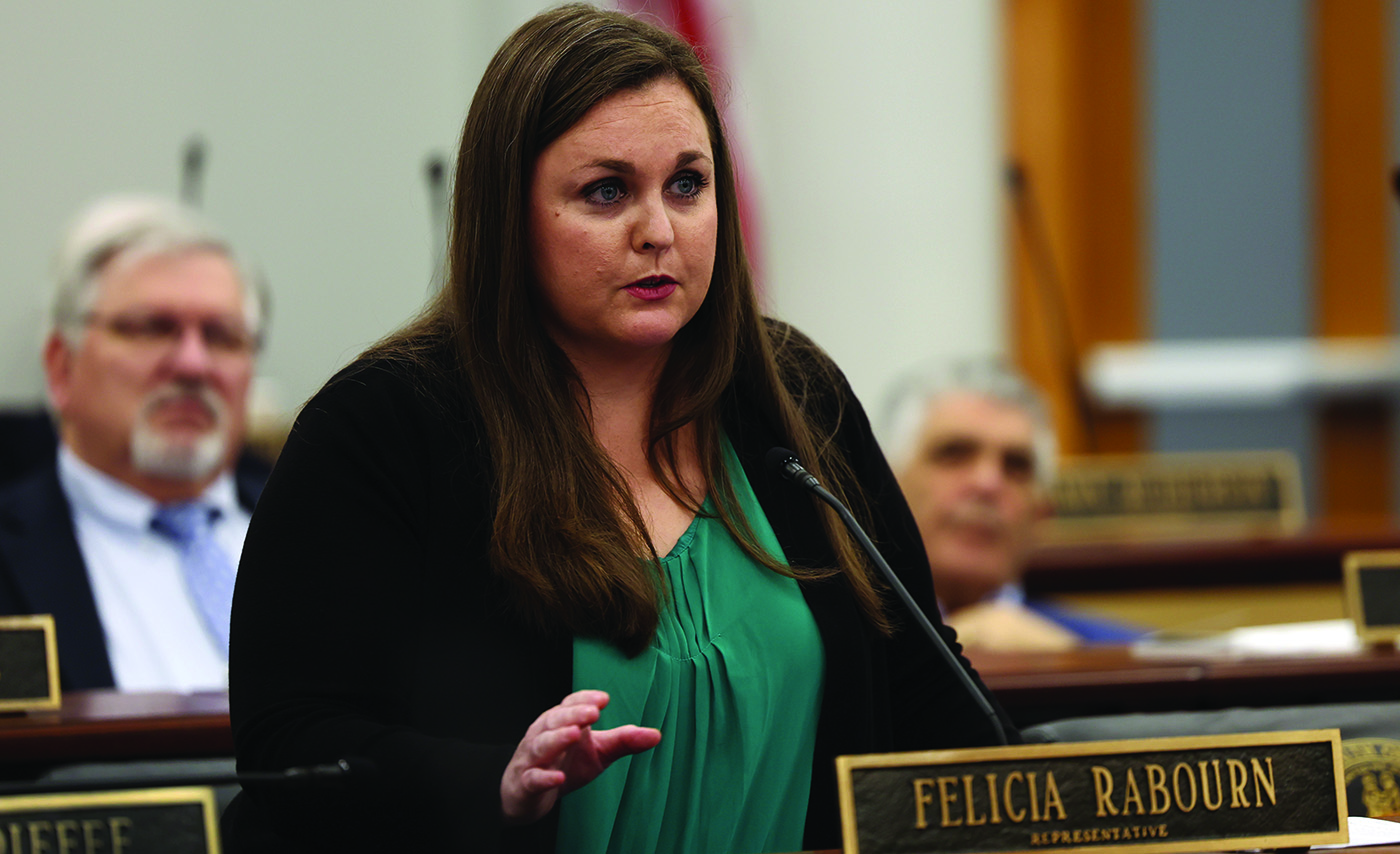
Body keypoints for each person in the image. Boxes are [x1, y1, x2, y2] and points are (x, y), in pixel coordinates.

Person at [223, 5, 1016, 852]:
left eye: (688, 184)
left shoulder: (793, 396)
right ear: (510, 215)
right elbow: (290, 743)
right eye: (606, 193)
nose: (659, 231)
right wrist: (493, 779)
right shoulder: (384, 428)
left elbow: (925, 685)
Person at [0, 196, 267, 693]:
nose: (193, 365)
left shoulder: (335, 530)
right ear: (61, 365)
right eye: (153, 328)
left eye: (223, 336)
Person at [882, 359, 1143, 651]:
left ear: (1042, 514)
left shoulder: (1131, 659)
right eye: (953, 453)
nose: (988, 483)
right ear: (885, 489)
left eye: (1017, 466)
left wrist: (1069, 668)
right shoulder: (836, 651)